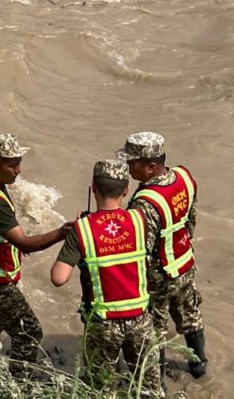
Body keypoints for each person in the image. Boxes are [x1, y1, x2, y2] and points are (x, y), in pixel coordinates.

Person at [50, 160, 164, 399]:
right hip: (140, 319)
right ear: (125, 190)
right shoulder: (140, 220)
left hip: (103, 323)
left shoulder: (83, 229)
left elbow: (58, 278)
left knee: (101, 390)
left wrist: (77, 236)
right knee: (149, 388)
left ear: (93, 188)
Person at [0, 133, 70, 369]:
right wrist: (61, 233)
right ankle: (20, 384)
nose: (19, 170)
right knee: (28, 334)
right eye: (13, 165)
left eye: (19, 163)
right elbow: (25, 243)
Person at [119, 131, 207, 378]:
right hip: (185, 262)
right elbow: (191, 220)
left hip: (160, 276)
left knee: (155, 329)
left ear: (150, 167)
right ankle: (199, 368)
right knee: (190, 316)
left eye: (132, 163)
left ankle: (156, 383)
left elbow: (141, 251)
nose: (128, 167)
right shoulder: (184, 177)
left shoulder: (145, 202)